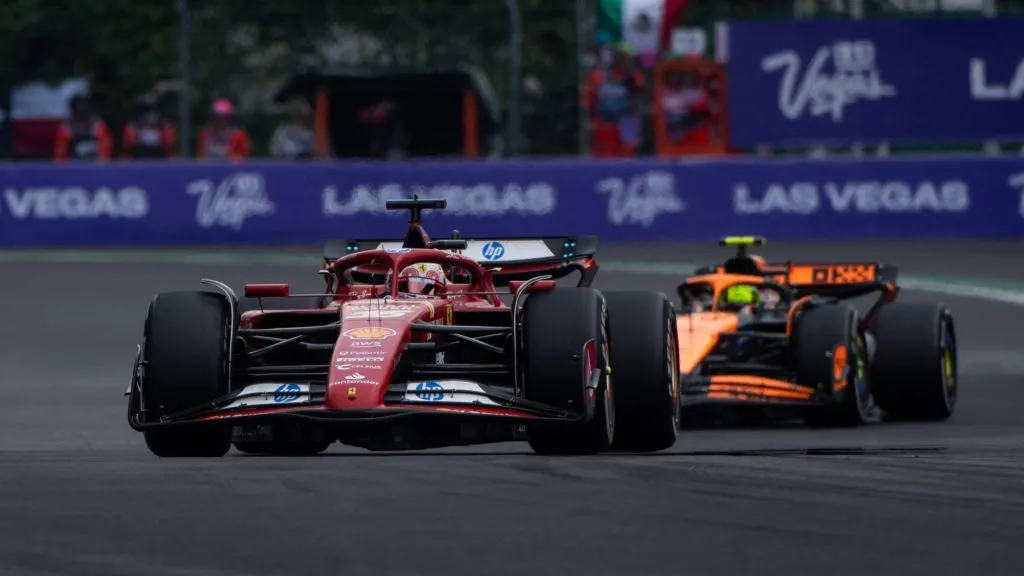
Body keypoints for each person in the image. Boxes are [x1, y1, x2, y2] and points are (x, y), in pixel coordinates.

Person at [586, 43, 644, 157]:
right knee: (604, 154)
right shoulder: (599, 75)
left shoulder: (633, 76)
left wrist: (629, 75)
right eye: (620, 57)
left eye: (626, 58)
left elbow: (640, 91)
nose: (623, 60)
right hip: (604, 121)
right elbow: (591, 98)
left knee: (628, 153)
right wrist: (591, 119)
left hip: (627, 121)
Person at [53, 94, 112, 161]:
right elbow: (60, 153)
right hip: (72, 165)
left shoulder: (97, 124)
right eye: (78, 116)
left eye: (83, 115)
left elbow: (105, 147)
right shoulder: (66, 127)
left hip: (95, 165)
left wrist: (100, 163)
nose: (81, 120)